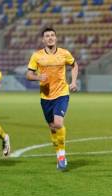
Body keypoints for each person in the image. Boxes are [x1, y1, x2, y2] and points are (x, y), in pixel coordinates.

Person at [26, 27, 78, 171]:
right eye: (47, 36)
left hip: (62, 93)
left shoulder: (64, 53)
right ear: (43, 39)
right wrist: (37, 77)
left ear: (56, 38)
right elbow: (28, 75)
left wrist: (73, 82)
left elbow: (74, 65)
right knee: (52, 127)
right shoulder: (36, 56)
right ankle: (58, 153)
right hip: (45, 96)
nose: (50, 38)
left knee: (58, 123)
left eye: (52, 35)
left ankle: (62, 155)